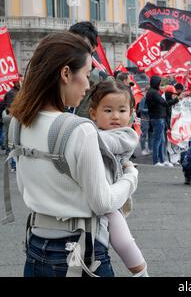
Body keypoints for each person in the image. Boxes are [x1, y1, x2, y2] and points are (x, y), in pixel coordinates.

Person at [9, 31, 138, 277]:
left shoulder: (19, 121)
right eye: (87, 75)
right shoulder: (79, 130)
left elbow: (24, 187)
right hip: (80, 252)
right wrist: (131, 178)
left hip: (36, 246)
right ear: (66, 73)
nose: (89, 85)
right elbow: (102, 203)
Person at [88, 80, 148, 277]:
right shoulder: (91, 132)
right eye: (108, 110)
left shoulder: (127, 135)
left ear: (131, 114)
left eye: (122, 110)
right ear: (93, 113)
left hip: (111, 199)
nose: (115, 116)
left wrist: (78, 133)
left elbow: (99, 142)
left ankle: (141, 272)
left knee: (124, 242)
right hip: (99, 195)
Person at [146, 75, 180, 166]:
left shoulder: (152, 92)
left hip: (158, 118)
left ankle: (162, 160)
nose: (161, 85)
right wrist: (177, 99)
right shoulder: (153, 93)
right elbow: (165, 103)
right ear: (156, 83)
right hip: (157, 119)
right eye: (160, 83)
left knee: (162, 140)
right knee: (158, 140)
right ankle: (156, 161)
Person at [2, 74, 23, 172]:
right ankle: (14, 164)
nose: (21, 82)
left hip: (18, 118)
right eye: (20, 81)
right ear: (15, 82)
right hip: (13, 118)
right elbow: (10, 107)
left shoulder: (19, 91)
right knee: (13, 139)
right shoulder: (12, 93)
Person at [138, 85, 151, 155]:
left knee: (151, 135)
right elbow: (140, 109)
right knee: (144, 135)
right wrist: (149, 110)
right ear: (146, 91)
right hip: (144, 119)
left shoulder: (152, 99)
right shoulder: (143, 99)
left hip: (151, 120)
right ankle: (143, 149)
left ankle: (149, 148)